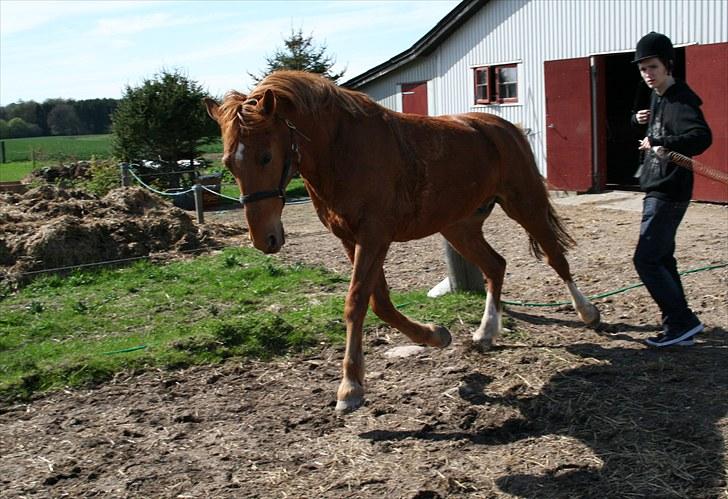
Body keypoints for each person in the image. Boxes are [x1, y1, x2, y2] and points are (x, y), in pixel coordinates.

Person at [630, 32, 712, 347]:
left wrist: (662, 142)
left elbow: (701, 137)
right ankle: (679, 326)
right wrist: (640, 122)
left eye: (652, 67)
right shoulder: (658, 96)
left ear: (667, 65)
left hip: (669, 191)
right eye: (642, 69)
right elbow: (658, 130)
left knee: (646, 259)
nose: (647, 75)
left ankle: (683, 322)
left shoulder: (681, 98)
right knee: (662, 259)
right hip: (656, 188)